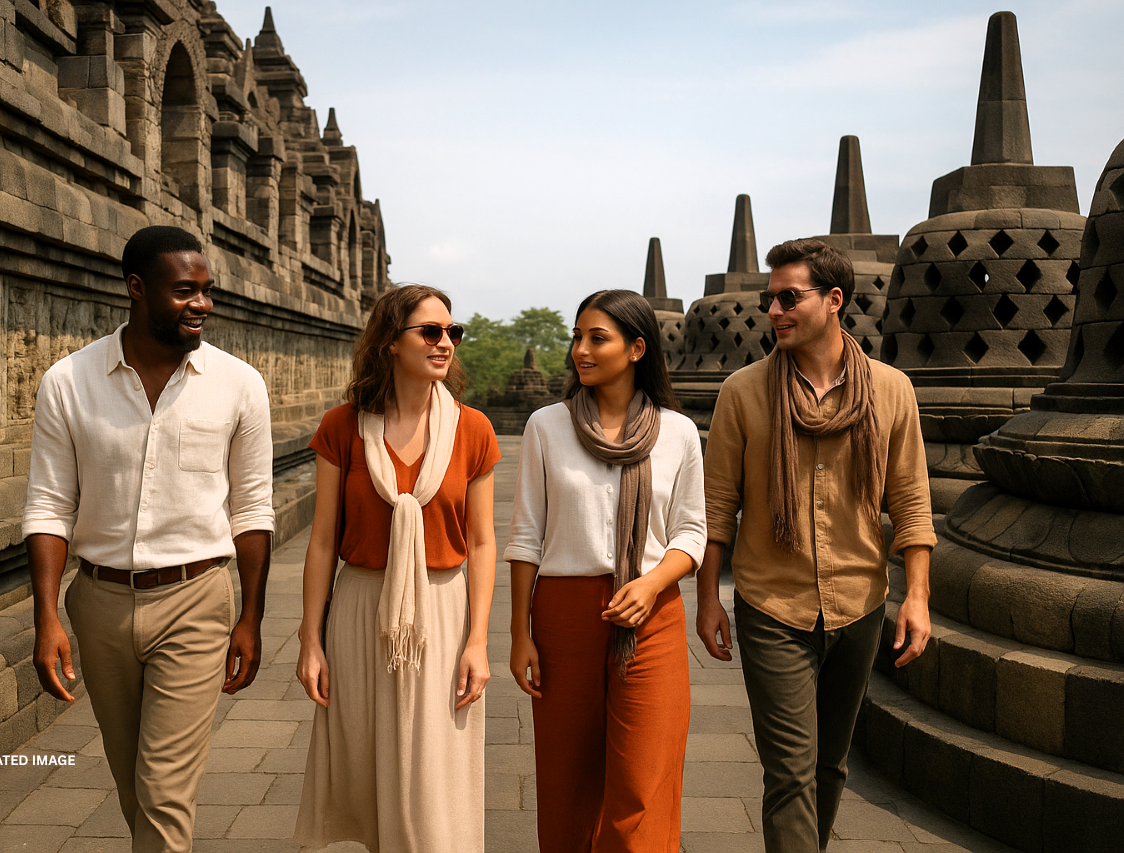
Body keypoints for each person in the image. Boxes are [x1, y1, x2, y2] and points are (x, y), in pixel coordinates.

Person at [24, 225, 274, 853]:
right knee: (134, 787)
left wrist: (252, 616)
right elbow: (50, 506)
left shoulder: (240, 384)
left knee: (163, 791)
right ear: (136, 290)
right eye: (185, 291)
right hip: (100, 604)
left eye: (206, 291)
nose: (202, 304)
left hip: (197, 599)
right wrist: (46, 617)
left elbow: (252, 508)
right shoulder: (69, 382)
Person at [696, 238, 936, 853]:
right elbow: (717, 506)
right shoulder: (743, 392)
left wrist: (918, 599)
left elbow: (909, 500)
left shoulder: (889, 390)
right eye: (769, 298)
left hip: (859, 601)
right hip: (772, 603)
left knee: (830, 768)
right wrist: (707, 599)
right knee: (790, 775)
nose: (774, 309)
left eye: (788, 297)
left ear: (833, 300)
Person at [294, 284, 500, 853]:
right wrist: (311, 641)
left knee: (434, 775)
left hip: (442, 608)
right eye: (430, 332)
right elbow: (320, 542)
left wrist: (478, 641)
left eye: (452, 333)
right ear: (389, 342)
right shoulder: (343, 427)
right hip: (361, 609)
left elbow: (483, 544)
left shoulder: (473, 429)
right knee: (366, 763)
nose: (445, 343)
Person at [506, 289, 707, 852]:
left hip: (651, 613)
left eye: (598, 338)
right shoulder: (548, 426)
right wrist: (519, 634)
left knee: (644, 780)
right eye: (577, 337)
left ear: (637, 348)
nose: (580, 350)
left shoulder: (677, 432)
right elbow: (526, 537)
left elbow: (692, 531)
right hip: (564, 616)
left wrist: (651, 583)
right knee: (567, 779)